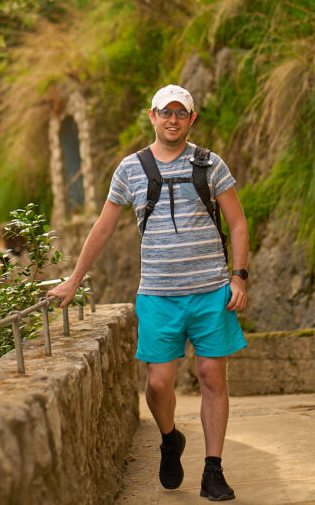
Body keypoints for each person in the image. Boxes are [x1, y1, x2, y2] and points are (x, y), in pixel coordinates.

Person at [47, 84, 249, 502]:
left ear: (191, 120)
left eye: (181, 113)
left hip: (211, 291)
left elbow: (238, 223)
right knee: (158, 384)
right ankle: (170, 438)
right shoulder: (129, 169)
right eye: (164, 112)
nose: (172, 119)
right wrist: (74, 278)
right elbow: (103, 227)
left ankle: (213, 470)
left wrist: (239, 277)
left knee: (213, 376)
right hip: (158, 294)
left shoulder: (210, 164)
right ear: (151, 116)